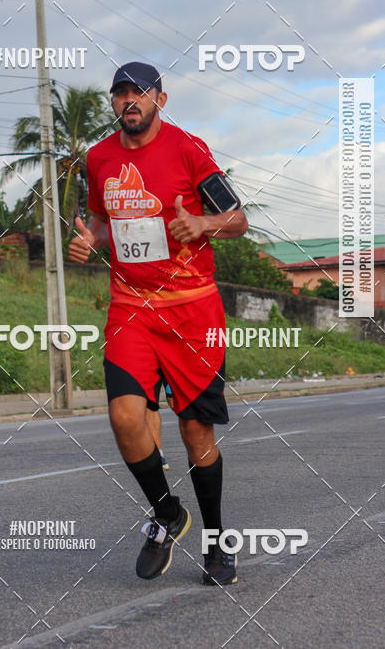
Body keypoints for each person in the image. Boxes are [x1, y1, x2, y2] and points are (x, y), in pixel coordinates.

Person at [68, 61, 248, 586]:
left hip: (192, 312)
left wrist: (204, 223)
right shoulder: (99, 158)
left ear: (159, 100)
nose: (129, 100)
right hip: (131, 307)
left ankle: (216, 543)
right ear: (113, 102)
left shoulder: (188, 149)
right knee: (125, 417)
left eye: (139, 92)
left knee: (196, 434)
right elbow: (103, 223)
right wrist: (91, 240)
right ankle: (167, 513)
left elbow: (238, 219)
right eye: (120, 93)